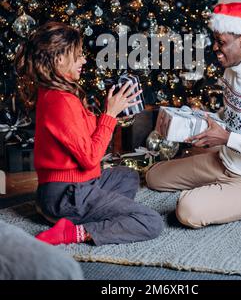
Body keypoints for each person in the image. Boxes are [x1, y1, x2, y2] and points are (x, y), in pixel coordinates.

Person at [146, 2, 241, 228]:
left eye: (221, 42)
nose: (215, 47)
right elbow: (232, 117)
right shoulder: (231, 71)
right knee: (153, 176)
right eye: (215, 40)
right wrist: (203, 117)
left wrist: (227, 139)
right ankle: (220, 192)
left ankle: (222, 196)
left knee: (187, 210)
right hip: (224, 161)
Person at [15, 21, 163, 246]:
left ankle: (87, 213)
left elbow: (81, 134)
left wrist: (110, 116)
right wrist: (110, 116)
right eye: (78, 55)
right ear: (59, 59)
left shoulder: (56, 94)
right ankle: (74, 231)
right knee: (150, 221)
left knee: (127, 176)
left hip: (68, 189)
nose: (84, 60)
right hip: (67, 195)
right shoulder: (61, 101)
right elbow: (90, 158)